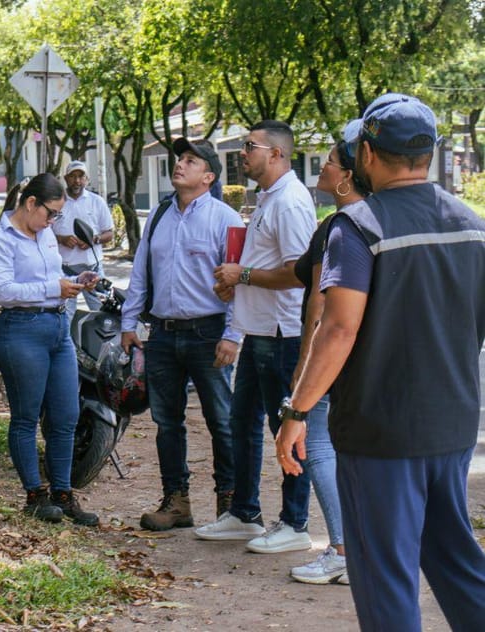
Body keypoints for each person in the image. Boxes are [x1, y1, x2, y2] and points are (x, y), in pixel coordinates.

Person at [278, 93, 485, 630]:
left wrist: (297, 412)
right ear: (431, 152)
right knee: (455, 559)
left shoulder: (358, 227)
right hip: (454, 422)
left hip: (380, 430)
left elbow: (338, 328)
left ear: (367, 153)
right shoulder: (472, 224)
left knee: (385, 571)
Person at [195, 120, 316, 554]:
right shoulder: (268, 198)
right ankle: (245, 512)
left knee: (285, 428)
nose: (242, 153)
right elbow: (269, 264)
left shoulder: (289, 203)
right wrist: (237, 282)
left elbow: (300, 274)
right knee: (241, 422)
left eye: (250, 146)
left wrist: (242, 274)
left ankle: (295, 523)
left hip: (282, 333)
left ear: (277, 154)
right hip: (257, 329)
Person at [118, 138, 244, 531]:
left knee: (220, 419)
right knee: (166, 421)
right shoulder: (158, 216)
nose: (180, 165)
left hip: (209, 333)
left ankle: (231, 503)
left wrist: (233, 333)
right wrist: (129, 322)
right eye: (179, 159)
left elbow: (239, 282)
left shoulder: (227, 219)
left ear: (208, 176)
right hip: (163, 334)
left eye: (191, 161)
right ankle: (177, 501)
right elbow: (141, 272)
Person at [0, 173, 100, 526]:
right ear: (31, 203)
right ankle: (35, 494)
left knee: (65, 415)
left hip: (57, 327)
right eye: (51, 213)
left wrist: (76, 281)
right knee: (26, 416)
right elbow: (5, 291)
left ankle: (63, 493)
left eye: (57, 216)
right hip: (20, 330)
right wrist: (54, 287)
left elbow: (53, 273)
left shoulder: (44, 234)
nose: (53, 222)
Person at [284, 126, 369, 585]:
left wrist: (304, 367)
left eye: (331, 161)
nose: (322, 167)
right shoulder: (371, 220)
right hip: (365, 364)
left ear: (348, 176)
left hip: (334, 358)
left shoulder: (342, 226)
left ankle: (342, 549)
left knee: (315, 448)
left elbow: (320, 302)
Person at [53, 160, 113, 319]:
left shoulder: (97, 201)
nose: (77, 181)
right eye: (73, 176)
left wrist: (94, 239)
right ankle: (70, 344)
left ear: (87, 179)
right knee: (66, 316)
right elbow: (44, 232)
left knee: (102, 313)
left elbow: (109, 233)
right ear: (66, 178)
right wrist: (61, 239)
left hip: (93, 268)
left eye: (81, 176)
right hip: (64, 268)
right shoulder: (57, 202)